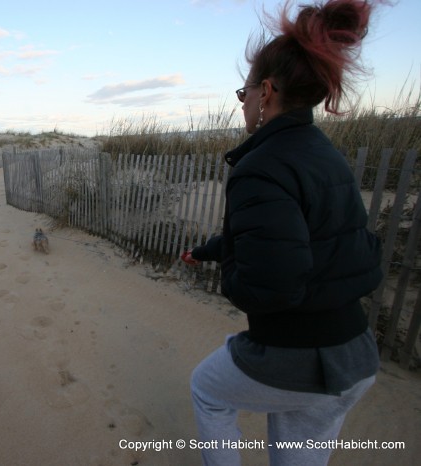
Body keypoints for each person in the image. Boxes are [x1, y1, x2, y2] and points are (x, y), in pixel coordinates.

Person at [181, 1, 385, 464]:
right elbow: (309, 239)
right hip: (356, 354)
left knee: (208, 392)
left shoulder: (261, 166)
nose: (244, 105)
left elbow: (265, 287)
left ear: (266, 92)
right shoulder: (324, 154)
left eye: (243, 93)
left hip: (297, 353)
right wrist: (210, 250)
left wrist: (230, 271)